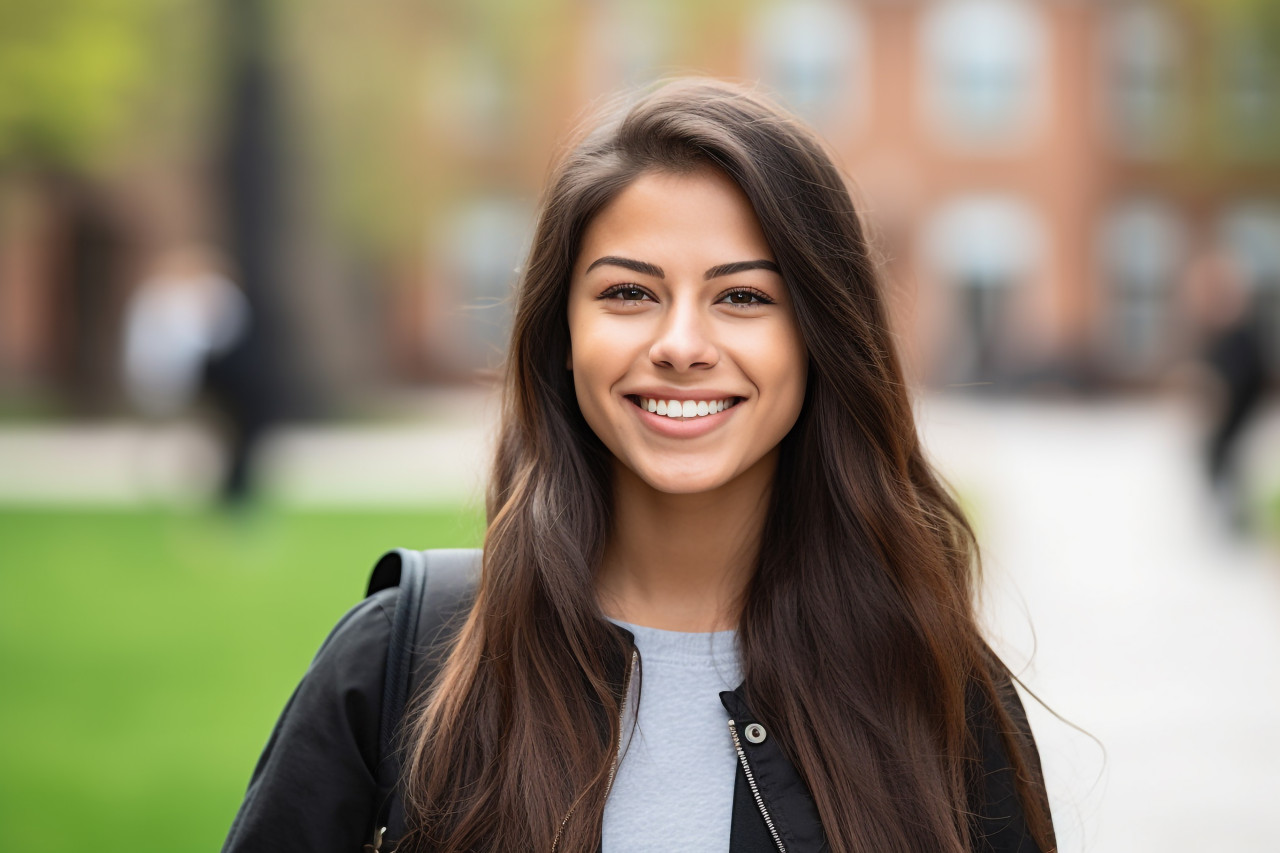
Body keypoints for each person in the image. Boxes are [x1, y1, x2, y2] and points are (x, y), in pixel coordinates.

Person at [223, 79, 1056, 853]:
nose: (681, 346)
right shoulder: (404, 666)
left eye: (743, 297)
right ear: (563, 336)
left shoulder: (941, 696)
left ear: (820, 339)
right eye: (629, 293)